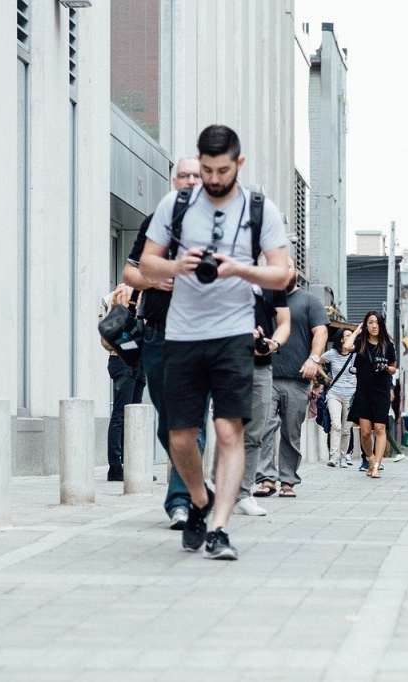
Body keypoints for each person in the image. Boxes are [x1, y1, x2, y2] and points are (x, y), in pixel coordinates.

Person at [139, 124, 290, 559]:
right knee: (180, 436)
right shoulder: (177, 204)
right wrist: (176, 266)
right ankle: (200, 502)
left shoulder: (261, 209)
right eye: (206, 169)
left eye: (222, 170)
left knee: (229, 431)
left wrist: (240, 269)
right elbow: (145, 264)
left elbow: (282, 273)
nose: (213, 178)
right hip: (183, 333)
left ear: (238, 164)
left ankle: (220, 528)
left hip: (233, 332)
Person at [123, 157, 205, 529]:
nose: (189, 181)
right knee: (168, 421)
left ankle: (180, 501)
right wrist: (153, 281)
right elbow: (129, 272)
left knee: (192, 420)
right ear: (174, 181)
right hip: (157, 332)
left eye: (196, 176)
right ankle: (192, 480)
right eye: (184, 175)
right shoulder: (156, 223)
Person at [254, 263, 329, 498]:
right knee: (264, 427)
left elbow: (321, 332)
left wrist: (314, 359)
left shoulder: (309, 301)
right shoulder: (263, 298)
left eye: (286, 267)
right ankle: (266, 479)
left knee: (291, 431)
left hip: (297, 378)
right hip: (265, 373)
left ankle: (288, 480)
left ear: (295, 271)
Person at [231, 278, 290, 516]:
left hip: (261, 366)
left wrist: (273, 342)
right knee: (228, 429)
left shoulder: (272, 283)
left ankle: (244, 494)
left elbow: (284, 322)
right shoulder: (222, 275)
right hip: (228, 362)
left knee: (255, 432)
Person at [98, 283, 147, 482]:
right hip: (122, 360)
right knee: (121, 414)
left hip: (138, 362)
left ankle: (133, 465)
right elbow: (109, 336)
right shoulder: (117, 296)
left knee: (135, 416)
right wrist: (130, 347)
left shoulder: (146, 297)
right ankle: (115, 466)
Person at [349, 311, 398, 478]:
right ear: (366, 325)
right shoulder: (360, 343)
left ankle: (377, 465)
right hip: (363, 392)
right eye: (370, 322)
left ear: (381, 325)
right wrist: (357, 331)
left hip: (381, 391)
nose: (374, 325)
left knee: (380, 428)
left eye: (377, 322)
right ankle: (370, 458)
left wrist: (385, 367)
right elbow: (347, 347)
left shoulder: (387, 345)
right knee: (365, 432)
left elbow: (393, 368)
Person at [321, 327, 359, 468]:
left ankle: (344, 456)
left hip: (351, 395)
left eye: (352, 335)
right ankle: (334, 457)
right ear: (342, 339)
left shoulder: (356, 355)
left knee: (346, 429)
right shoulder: (332, 353)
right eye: (348, 335)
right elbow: (317, 361)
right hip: (334, 394)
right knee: (335, 425)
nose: (351, 338)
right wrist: (326, 377)